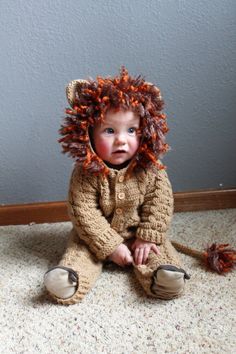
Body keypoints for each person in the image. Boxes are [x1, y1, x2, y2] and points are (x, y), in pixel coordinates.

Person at [44, 67, 190, 305]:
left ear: (145, 131)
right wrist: (110, 245)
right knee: (80, 251)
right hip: (95, 237)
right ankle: (69, 278)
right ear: (88, 133)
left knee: (157, 250)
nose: (122, 140)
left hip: (139, 234)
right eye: (109, 130)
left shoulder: (150, 168)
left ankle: (163, 274)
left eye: (131, 130)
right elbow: (84, 213)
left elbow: (160, 202)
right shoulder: (85, 173)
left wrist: (148, 236)